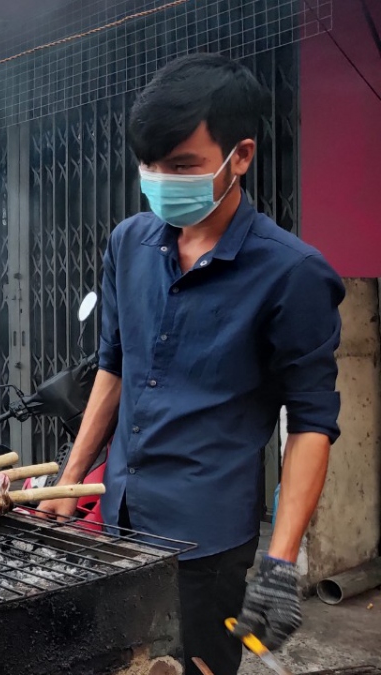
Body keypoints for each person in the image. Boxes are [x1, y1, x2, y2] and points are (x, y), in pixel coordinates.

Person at [36, 54, 343, 675]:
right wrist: (68, 485)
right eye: (149, 166)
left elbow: (312, 421)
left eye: (182, 166)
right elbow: (113, 366)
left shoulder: (292, 273)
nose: (159, 181)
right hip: (117, 512)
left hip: (205, 541)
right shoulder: (129, 241)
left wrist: (280, 565)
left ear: (242, 156)